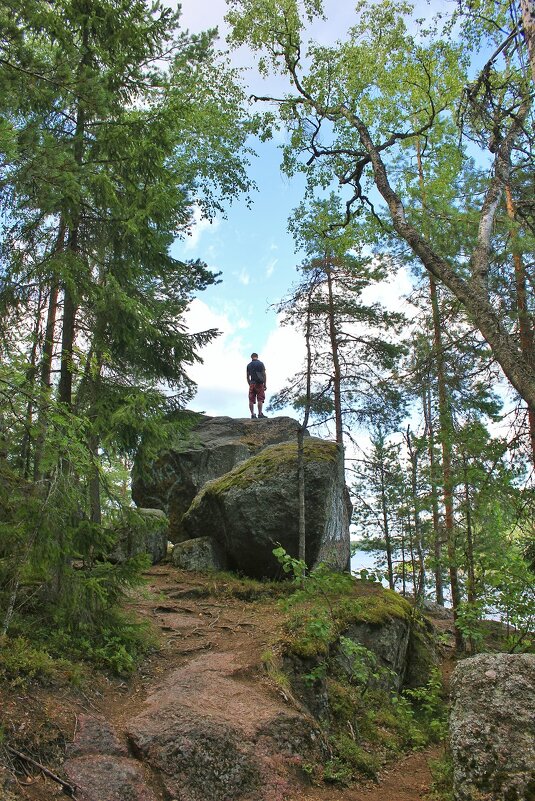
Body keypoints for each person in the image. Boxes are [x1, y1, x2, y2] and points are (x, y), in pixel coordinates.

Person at [246, 352, 267, 419]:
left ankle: (252, 414)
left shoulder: (249, 365)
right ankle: (260, 414)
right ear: (257, 357)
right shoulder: (261, 364)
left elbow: (247, 376)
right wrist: (265, 384)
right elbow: (264, 374)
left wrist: (250, 384)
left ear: (251, 357)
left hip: (252, 383)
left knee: (251, 400)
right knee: (260, 399)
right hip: (259, 383)